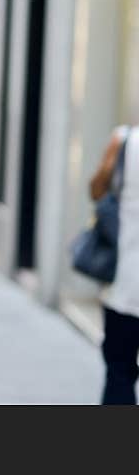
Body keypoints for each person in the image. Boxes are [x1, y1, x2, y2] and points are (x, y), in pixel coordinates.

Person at [89, 124, 139, 404]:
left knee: (119, 372)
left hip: (127, 283)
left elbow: (96, 190)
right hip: (126, 284)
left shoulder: (125, 140)